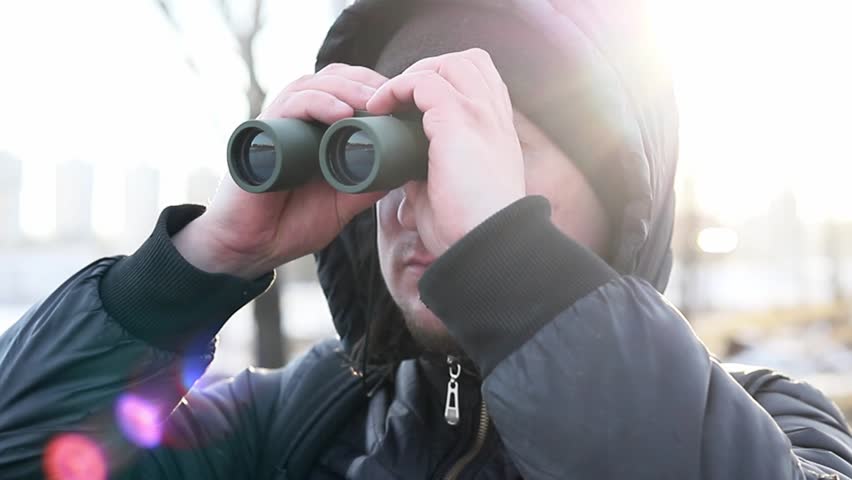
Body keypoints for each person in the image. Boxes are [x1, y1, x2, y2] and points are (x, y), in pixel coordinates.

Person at [1, 0, 851, 478]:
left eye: (479, 150)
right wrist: (196, 265)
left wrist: (511, 273)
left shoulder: (771, 426)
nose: (417, 201)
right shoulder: (304, 420)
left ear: (622, 197)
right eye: (397, 155)